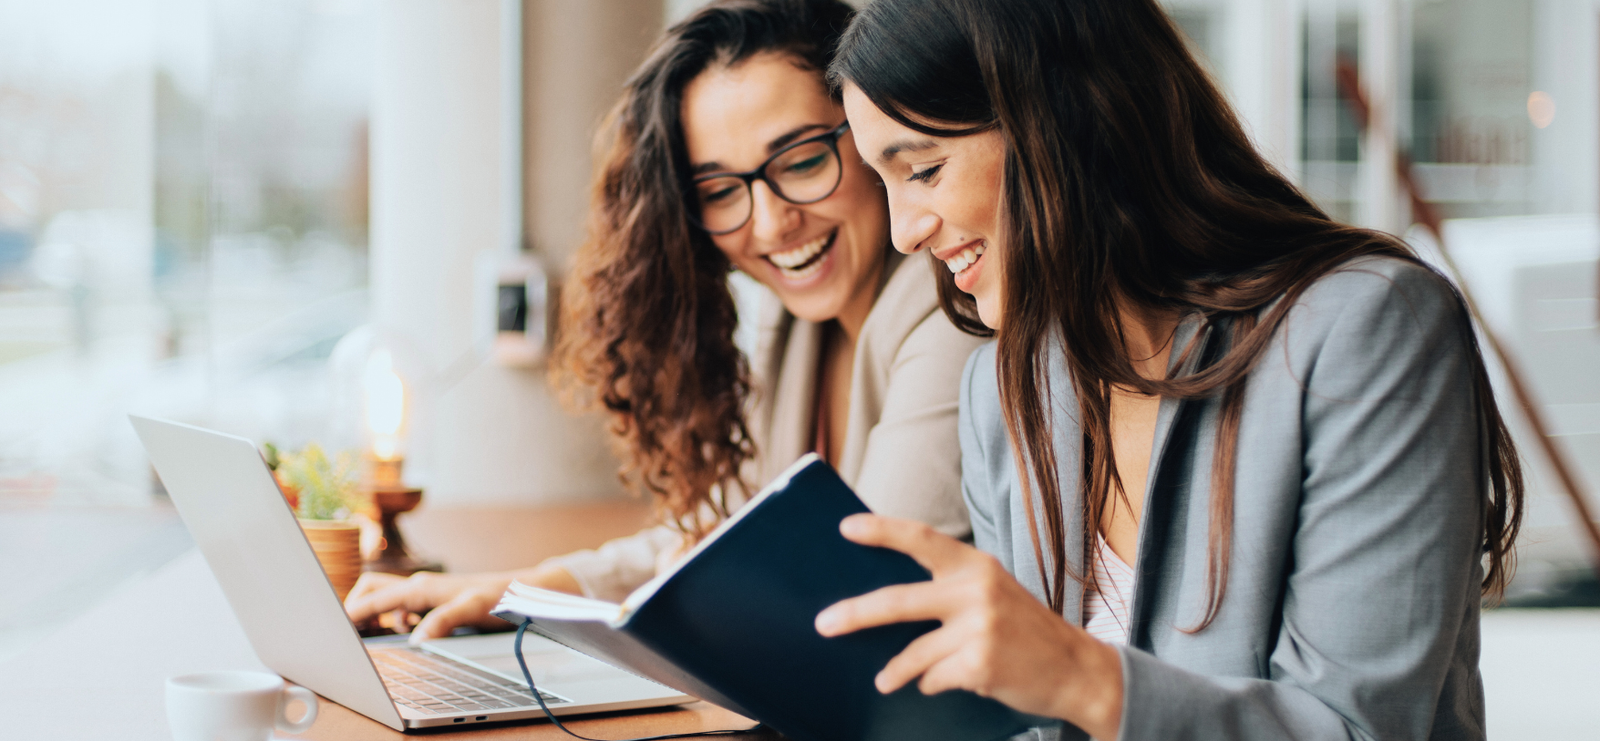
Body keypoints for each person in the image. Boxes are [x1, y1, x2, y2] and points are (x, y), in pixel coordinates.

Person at [814, 1, 1525, 740]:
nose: (904, 230)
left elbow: (1355, 727)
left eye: (923, 169)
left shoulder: (1367, 329)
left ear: (1065, 118)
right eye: (884, 182)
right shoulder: (1004, 387)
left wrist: (1077, 675)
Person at [345, 0, 984, 640]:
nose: (770, 223)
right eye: (720, 192)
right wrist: (511, 590)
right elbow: (706, 539)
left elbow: (859, 588)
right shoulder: (795, 330)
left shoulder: (950, 309)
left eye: (802, 161)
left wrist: (700, 586)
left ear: (870, 134)